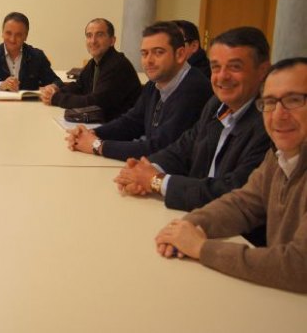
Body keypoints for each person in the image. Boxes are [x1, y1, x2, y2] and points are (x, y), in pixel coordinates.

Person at [155, 57, 307, 293]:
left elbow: (299, 267)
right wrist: (188, 227)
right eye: (269, 102)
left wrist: (201, 248)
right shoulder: (279, 156)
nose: (278, 115)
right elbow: (242, 204)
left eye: (294, 100)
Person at [114, 27, 272, 244]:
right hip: (195, 220)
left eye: (235, 67)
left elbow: (231, 191)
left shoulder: (270, 123)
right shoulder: (216, 104)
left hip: (238, 238)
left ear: (263, 70)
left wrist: (156, 181)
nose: (222, 76)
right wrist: (144, 169)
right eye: (216, 67)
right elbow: (182, 148)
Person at [65, 21, 212, 161]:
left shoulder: (194, 89)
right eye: (144, 53)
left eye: (158, 52)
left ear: (180, 55)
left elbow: (159, 148)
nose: (148, 60)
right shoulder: (154, 84)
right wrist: (91, 134)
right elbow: (132, 122)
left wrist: (98, 146)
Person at [40, 18, 141, 121]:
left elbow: (95, 103)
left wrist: (56, 98)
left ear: (112, 40)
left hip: (122, 130)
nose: (93, 41)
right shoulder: (94, 62)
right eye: (89, 35)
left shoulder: (117, 65)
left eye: (100, 35)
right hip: (103, 122)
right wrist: (55, 92)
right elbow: (79, 86)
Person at [0, 12, 63, 93]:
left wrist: (52, 87)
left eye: (18, 35)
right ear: (2, 33)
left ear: (26, 36)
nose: (12, 39)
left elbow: (57, 82)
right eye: (8, 33)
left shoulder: (37, 56)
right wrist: (1, 85)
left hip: (29, 108)